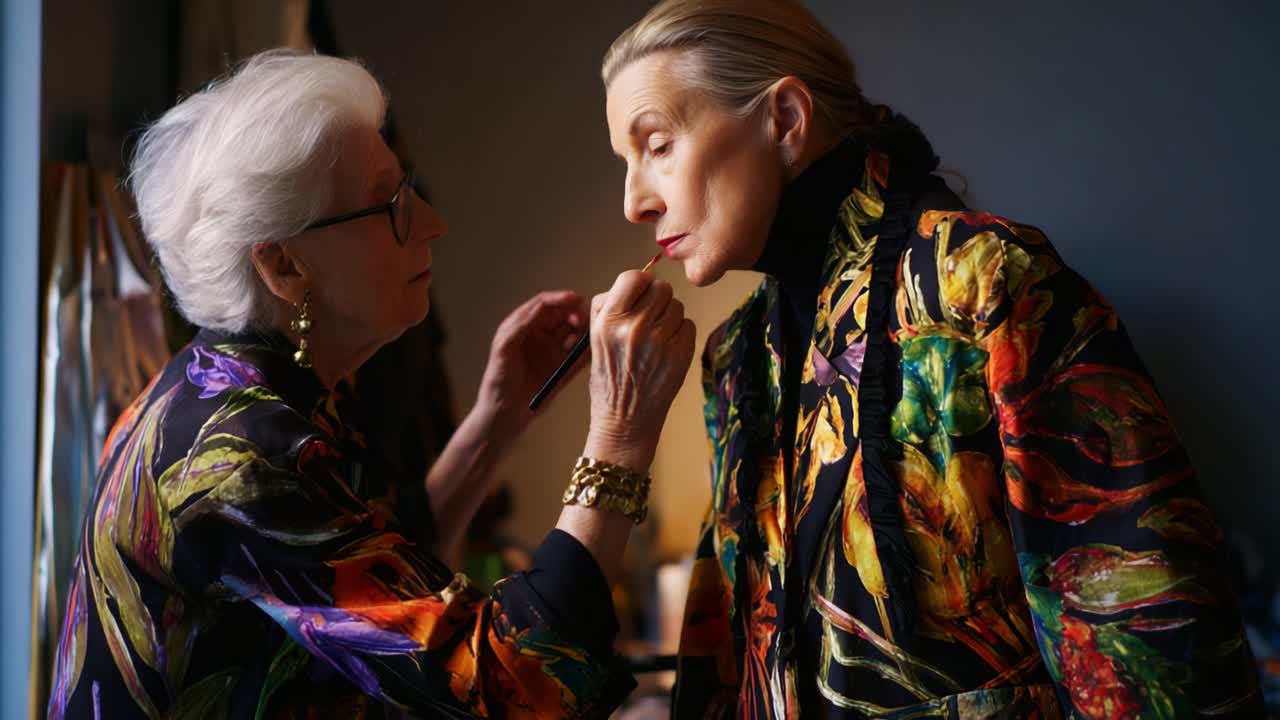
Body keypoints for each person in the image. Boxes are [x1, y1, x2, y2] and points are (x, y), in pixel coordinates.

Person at [601, 1, 1262, 717]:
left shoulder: (986, 282)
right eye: (626, 161)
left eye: (658, 145)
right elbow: (731, 665)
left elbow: (1149, 641)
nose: (635, 200)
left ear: (786, 119)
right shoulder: (737, 357)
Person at [47, 49, 696, 719]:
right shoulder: (236, 457)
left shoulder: (216, 393)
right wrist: (620, 431)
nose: (433, 224)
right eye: (388, 204)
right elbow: (516, 689)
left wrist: (495, 423)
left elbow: (375, 592)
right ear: (283, 264)